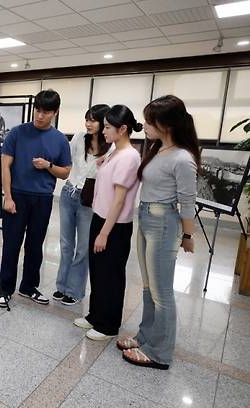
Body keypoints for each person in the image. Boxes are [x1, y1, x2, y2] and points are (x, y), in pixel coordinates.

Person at [119, 95, 199, 370]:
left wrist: (188, 236)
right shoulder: (157, 149)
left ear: (165, 124)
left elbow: (188, 202)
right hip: (147, 217)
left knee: (161, 292)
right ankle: (146, 336)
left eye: (149, 121)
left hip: (163, 222)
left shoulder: (182, 158)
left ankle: (160, 352)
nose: (144, 125)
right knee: (147, 287)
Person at [0, 89, 72, 308]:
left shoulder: (59, 140)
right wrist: (7, 197)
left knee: (35, 245)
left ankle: (28, 287)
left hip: (43, 199)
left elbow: (65, 172)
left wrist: (48, 166)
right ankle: (5, 288)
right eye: (37, 110)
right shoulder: (17, 133)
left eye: (46, 112)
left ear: (55, 112)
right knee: (11, 244)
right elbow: (5, 166)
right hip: (17, 196)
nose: (40, 116)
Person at [73, 105, 143, 340]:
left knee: (111, 275)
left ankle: (108, 325)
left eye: (107, 127)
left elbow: (119, 202)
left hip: (114, 226)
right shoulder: (115, 152)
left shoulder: (129, 157)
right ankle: (95, 315)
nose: (103, 131)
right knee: (98, 271)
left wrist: (104, 233)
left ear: (123, 129)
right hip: (100, 217)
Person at [54, 104, 111, 306]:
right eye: (87, 119)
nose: (88, 123)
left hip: (90, 200)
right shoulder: (79, 137)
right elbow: (67, 161)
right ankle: (61, 286)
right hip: (69, 193)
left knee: (83, 247)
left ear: (104, 122)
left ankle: (75, 290)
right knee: (66, 244)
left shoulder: (110, 147)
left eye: (93, 120)